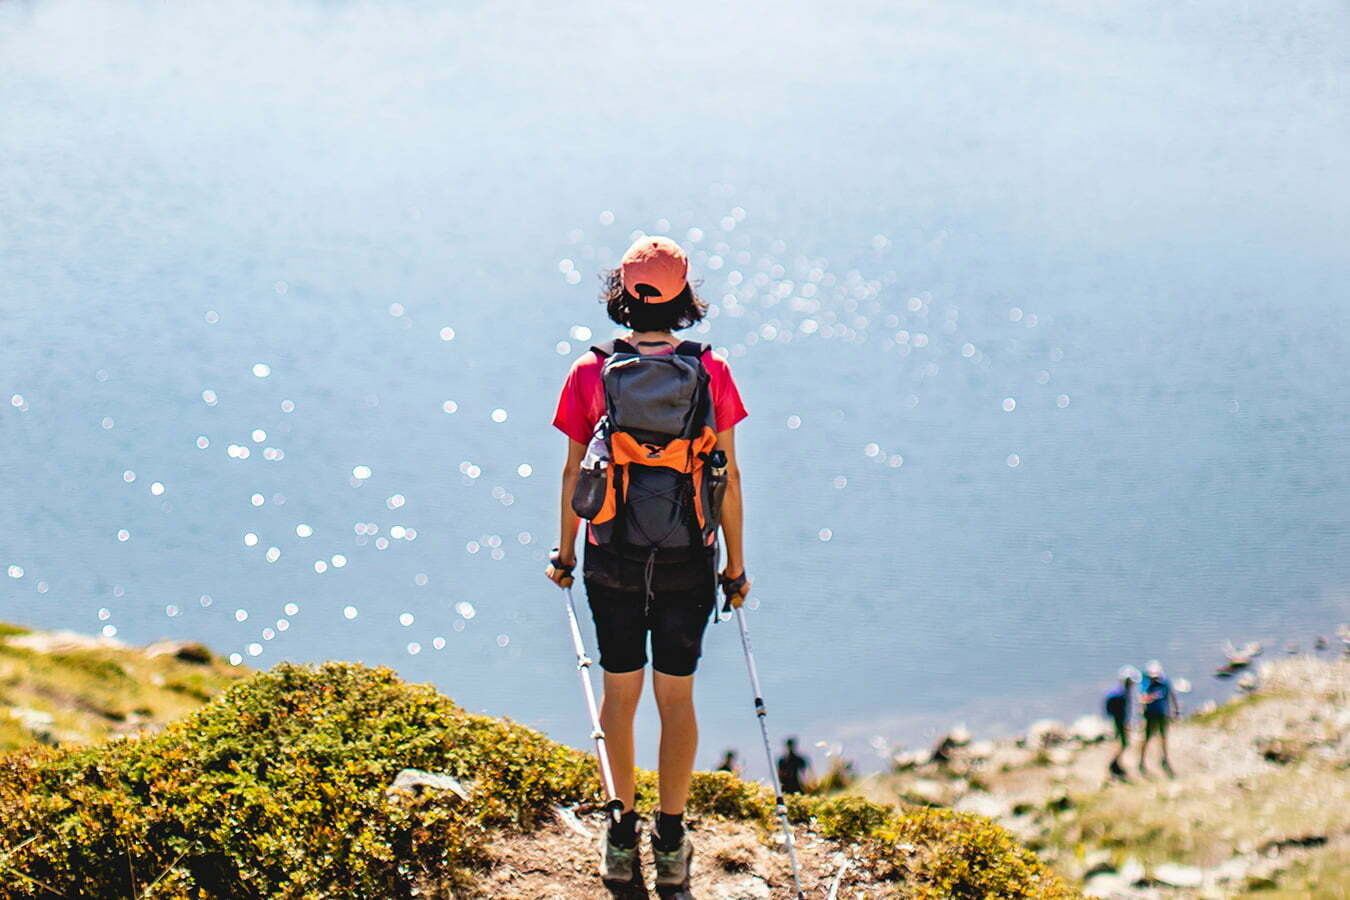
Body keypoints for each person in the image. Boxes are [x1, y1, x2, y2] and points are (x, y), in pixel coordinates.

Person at [546, 235, 749, 892]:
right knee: (676, 697)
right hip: (690, 555)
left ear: (621, 295)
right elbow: (730, 477)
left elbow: (577, 470)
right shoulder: (711, 370)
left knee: (620, 695)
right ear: (685, 297)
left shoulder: (590, 371)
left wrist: (566, 552)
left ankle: (619, 832)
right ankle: (670, 839)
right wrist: (735, 568)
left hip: (614, 556)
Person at [1138, 660, 1179, 776]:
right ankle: (1141, 761)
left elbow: (1172, 695)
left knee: (1163, 737)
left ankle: (1164, 759)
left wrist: (1176, 710)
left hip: (1163, 714)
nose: (1154, 679)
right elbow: (1142, 698)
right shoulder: (1146, 683)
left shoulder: (1165, 682)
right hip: (1150, 715)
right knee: (1147, 738)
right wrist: (1147, 701)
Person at [1103, 666, 1138, 780]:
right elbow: (1120, 711)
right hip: (1119, 722)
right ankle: (1114, 764)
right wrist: (1124, 723)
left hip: (1119, 722)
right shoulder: (1121, 694)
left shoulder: (1121, 693)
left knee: (1122, 743)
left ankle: (1116, 763)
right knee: (1123, 743)